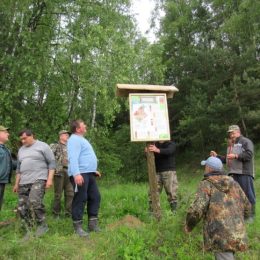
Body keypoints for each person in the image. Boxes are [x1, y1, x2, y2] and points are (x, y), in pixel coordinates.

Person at [184, 156, 251, 260]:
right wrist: (240, 222)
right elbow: (247, 206)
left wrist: (189, 225)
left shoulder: (206, 184)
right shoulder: (234, 183)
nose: (204, 168)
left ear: (209, 168)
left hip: (219, 234)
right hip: (237, 231)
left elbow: (196, 210)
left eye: (205, 166)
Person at [13, 129, 56, 239]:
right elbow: (18, 168)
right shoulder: (21, 150)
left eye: (24, 138)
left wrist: (50, 179)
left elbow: (52, 163)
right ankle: (29, 228)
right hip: (23, 181)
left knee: (34, 201)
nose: (22, 141)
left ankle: (42, 224)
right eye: (21, 139)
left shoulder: (43, 146)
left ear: (32, 136)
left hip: (39, 179)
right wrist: (16, 184)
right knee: (22, 206)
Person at [211, 125, 256, 222]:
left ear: (238, 132)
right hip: (233, 174)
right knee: (236, 195)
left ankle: (252, 216)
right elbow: (227, 159)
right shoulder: (231, 145)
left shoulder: (245, 141)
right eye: (230, 133)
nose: (231, 135)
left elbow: (249, 155)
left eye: (233, 133)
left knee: (248, 194)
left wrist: (236, 155)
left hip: (244, 172)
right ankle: (241, 216)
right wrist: (217, 156)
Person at [67, 119, 101, 237]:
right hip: (80, 174)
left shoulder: (81, 139)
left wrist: (93, 169)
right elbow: (73, 157)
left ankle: (92, 224)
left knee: (95, 196)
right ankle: (78, 227)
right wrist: (76, 173)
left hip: (88, 173)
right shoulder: (74, 140)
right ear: (77, 129)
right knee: (80, 198)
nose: (85, 126)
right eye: (83, 125)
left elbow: (85, 156)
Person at [146, 140, 178, 213]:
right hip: (156, 172)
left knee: (171, 192)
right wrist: (147, 152)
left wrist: (157, 150)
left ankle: (174, 212)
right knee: (153, 191)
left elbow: (169, 151)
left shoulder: (171, 144)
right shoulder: (154, 144)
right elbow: (150, 157)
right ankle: (152, 212)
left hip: (169, 171)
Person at [50, 130, 74, 218]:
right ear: (60, 136)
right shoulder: (54, 145)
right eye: (65, 134)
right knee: (58, 194)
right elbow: (49, 158)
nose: (67, 136)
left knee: (70, 193)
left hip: (70, 172)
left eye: (68, 135)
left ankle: (69, 213)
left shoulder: (71, 147)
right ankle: (56, 214)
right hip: (59, 171)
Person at [0, 125, 12, 210]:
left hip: (2, 180)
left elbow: (11, 163)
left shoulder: (5, 149)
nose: (8, 134)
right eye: (5, 132)